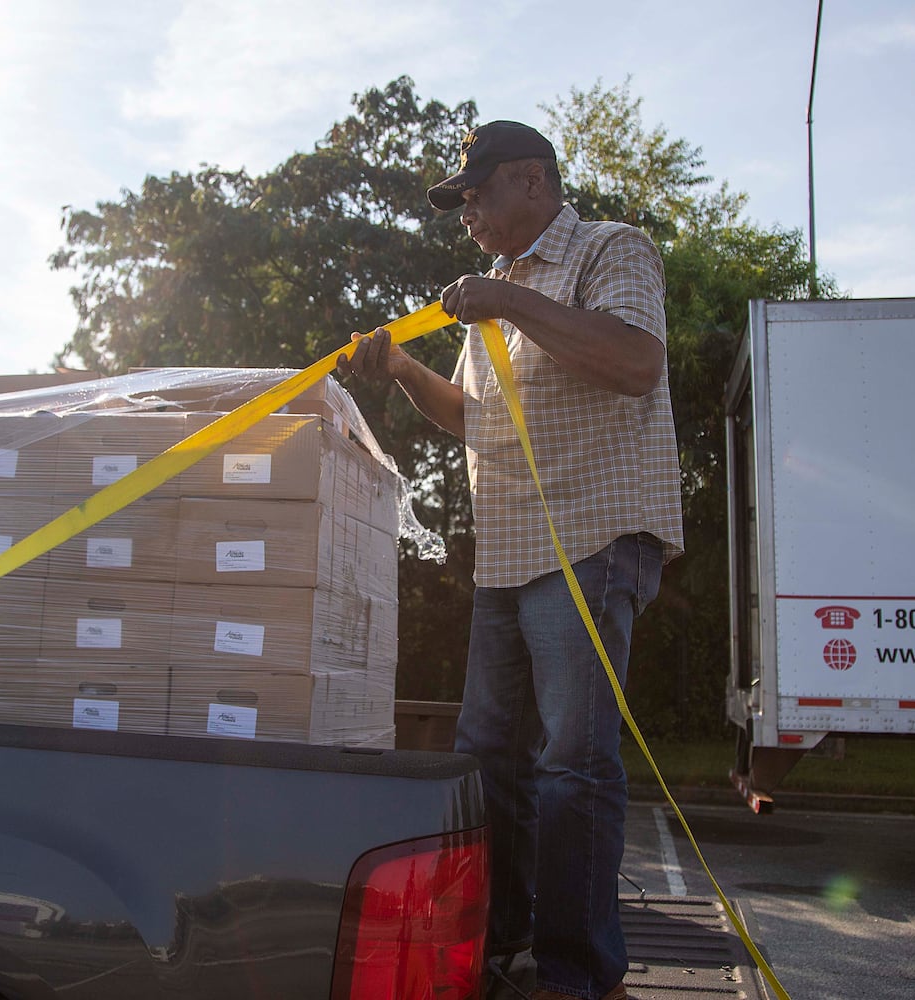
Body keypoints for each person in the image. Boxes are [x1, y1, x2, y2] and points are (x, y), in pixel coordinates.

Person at [338, 120, 683, 1000]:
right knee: (491, 758)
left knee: (572, 764)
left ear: (533, 181)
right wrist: (405, 369)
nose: (467, 217)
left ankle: (576, 976)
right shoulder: (495, 295)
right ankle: (500, 946)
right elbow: (473, 417)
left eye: (477, 195)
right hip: (511, 552)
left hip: (592, 543)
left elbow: (638, 362)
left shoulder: (612, 251)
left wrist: (508, 301)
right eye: (460, 203)